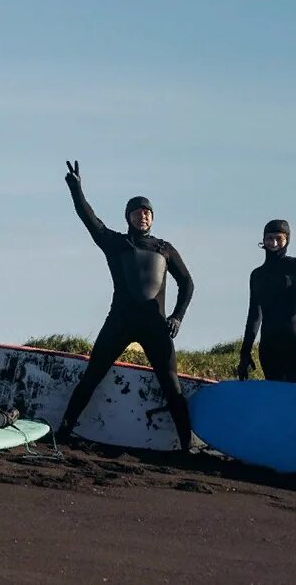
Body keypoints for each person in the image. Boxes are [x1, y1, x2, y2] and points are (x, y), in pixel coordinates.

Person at [56, 160, 195, 450]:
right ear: (128, 217)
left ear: (152, 218)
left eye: (147, 212)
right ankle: (64, 431)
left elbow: (188, 283)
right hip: (120, 321)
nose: (142, 216)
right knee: (92, 376)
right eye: (137, 212)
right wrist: (76, 189)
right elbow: (89, 218)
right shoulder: (116, 243)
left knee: (172, 385)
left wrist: (178, 317)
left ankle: (187, 446)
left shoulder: (164, 248)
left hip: (155, 326)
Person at [238, 219, 296, 385]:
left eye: (279, 238)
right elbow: (254, 316)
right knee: (277, 398)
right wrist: (245, 353)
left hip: (295, 342)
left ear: (287, 240)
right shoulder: (257, 275)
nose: (274, 243)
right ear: (263, 241)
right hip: (269, 346)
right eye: (270, 238)